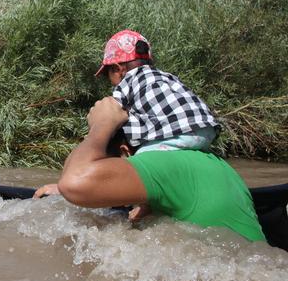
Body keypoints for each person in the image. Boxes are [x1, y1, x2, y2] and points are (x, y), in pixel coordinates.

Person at [36, 97, 265, 242]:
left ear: (125, 152)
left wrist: (100, 125)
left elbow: (74, 182)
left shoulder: (160, 166)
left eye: (106, 165)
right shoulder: (205, 162)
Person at [95, 29, 220, 154]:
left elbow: (113, 112)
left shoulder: (127, 82)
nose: (110, 82)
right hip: (207, 130)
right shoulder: (166, 77)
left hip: (178, 133)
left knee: (139, 156)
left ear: (117, 69)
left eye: (108, 75)